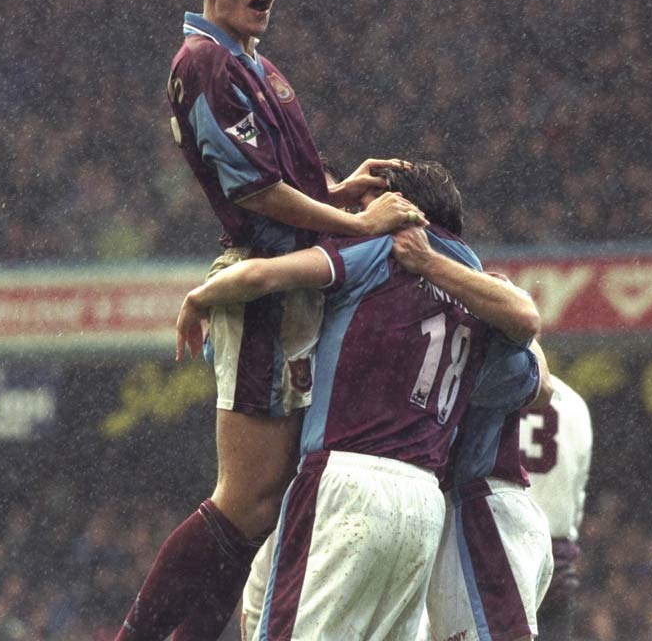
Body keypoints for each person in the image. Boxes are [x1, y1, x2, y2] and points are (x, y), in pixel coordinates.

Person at [115, 0, 421, 641]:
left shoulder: (256, 64)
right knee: (243, 501)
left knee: (267, 501)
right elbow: (254, 193)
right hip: (262, 287)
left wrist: (337, 191)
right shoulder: (204, 63)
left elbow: (286, 183)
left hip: (287, 290)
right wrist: (356, 224)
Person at [177, 161, 550, 640]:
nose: (356, 212)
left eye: (366, 201)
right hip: (423, 502)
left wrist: (201, 296)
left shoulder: (377, 251)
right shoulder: (478, 283)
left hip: (345, 480)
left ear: (398, 206)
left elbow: (263, 277)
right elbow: (537, 377)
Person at [417, 346, 558, 641]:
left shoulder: (466, 336)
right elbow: (543, 384)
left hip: (479, 517)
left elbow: (543, 387)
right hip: (486, 514)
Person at [519, 373, 593, 640]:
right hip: (555, 558)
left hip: (498, 555)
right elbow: (578, 495)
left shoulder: (488, 386)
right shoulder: (574, 404)